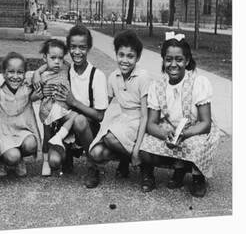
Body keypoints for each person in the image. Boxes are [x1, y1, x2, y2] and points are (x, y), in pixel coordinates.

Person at [139, 33, 221, 197]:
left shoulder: (198, 83)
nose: (173, 64)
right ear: (163, 60)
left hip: (194, 129)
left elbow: (205, 123)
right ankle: (178, 167)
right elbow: (151, 123)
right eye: (169, 59)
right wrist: (165, 135)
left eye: (179, 59)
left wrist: (184, 134)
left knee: (197, 145)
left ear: (187, 61)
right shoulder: (157, 86)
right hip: (170, 128)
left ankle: (198, 177)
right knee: (144, 148)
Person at [89, 30, 151, 186]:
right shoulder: (113, 77)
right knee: (95, 153)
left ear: (138, 58)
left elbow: (145, 116)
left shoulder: (143, 77)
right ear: (116, 54)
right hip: (122, 120)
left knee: (110, 138)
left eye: (130, 56)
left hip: (139, 122)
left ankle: (144, 166)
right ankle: (126, 159)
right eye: (121, 55)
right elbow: (102, 106)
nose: (125, 60)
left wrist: (136, 149)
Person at [53, 25, 109, 187]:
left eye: (82, 48)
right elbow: (46, 65)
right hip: (65, 123)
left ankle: (93, 166)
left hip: (88, 126)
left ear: (89, 48)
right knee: (54, 162)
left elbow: (99, 115)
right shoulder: (65, 70)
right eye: (73, 47)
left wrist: (74, 102)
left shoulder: (96, 75)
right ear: (68, 48)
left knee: (80, 120)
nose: (77, 52)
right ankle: (68, 153)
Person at [0, 52, 41, 177]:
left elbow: (46, 71)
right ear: (4, 73)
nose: (15, 76)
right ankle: (2, 159)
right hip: (2, 132)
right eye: (11, 72)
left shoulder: (27, 86)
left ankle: (20, 159)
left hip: (21, 130)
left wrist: (38, 73)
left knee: (31, 144)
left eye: (20, 72)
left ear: (25, 73)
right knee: (12, 156)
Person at [32, 39, 76, 177]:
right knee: (47, 136)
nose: (57, 61)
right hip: (48, 111)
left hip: (64, 110)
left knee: (73, 121)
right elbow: (32, 97)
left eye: (60, 58)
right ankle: (45, 161)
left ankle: (66, 156)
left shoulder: (67, 68)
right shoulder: (42, 76)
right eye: (53, 58)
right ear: (45, 58)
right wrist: (37, 74)